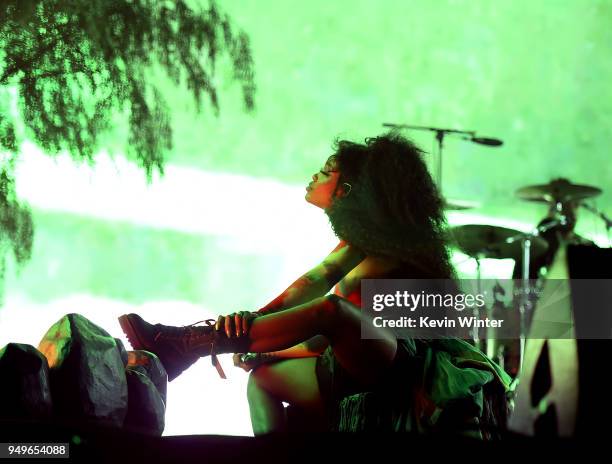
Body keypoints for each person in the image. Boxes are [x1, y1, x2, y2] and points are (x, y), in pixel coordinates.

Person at [119, 133, 511, 435]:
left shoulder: (394, 253)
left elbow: (326, 327)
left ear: (347, 191)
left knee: (331, 312)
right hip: (353, 365)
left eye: (326, 171)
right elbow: (308, 286)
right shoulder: (358, 245)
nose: (314, 175)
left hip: (405, 369)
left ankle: (188, 344)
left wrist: (259, 345)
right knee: (262, 381)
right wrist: (246, 324)